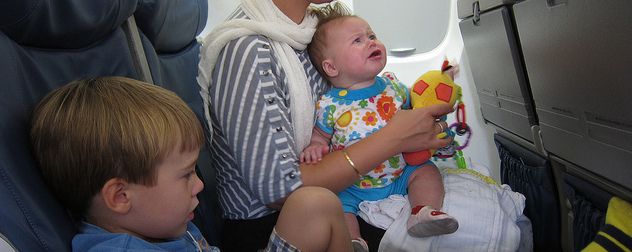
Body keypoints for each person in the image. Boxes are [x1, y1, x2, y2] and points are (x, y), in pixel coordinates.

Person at [197, 0, 455, 250]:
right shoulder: (249, 52)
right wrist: (395, 137)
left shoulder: (310, 30)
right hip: (275, 226)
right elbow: (279, 192)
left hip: (336, 190)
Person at [29, 76, 353, 252]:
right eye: (186, 175)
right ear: (120, 197)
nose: (199, 184)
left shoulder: (154, 223)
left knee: (315, 202)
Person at [300, 4, 458, 251]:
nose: (371, 42)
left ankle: (422, 212)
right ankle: (352, 240)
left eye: (372, 36)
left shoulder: (393, 86)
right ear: (331, 67)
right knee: (336, 202)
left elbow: (415, 112)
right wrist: (315, 147)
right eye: (358, 40)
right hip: (354, 185)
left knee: (427, 172)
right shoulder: (330, 104)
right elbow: (321, 136)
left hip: (399, 173)